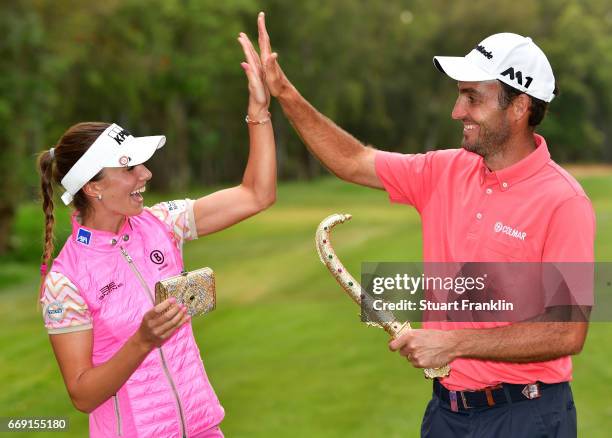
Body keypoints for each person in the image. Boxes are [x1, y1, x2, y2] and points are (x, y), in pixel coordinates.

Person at [245, 12, 595, 438]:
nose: (456, 111)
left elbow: (567, 331)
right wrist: (284, 92)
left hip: (526, 416)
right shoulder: (444, 170)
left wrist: (454, 343)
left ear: (519, 106)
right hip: (446, 414)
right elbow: (352, 160)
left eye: (472, 98)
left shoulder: (564, 201)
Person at [37, 34, 275, 438]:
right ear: (92, 186)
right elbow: (82, 394)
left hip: (204, 428)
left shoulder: (162, 221)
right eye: (129, 168)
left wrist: (259, 112)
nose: (145, 175)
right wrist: (142, 341)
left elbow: (257, 194)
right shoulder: (65, 283)